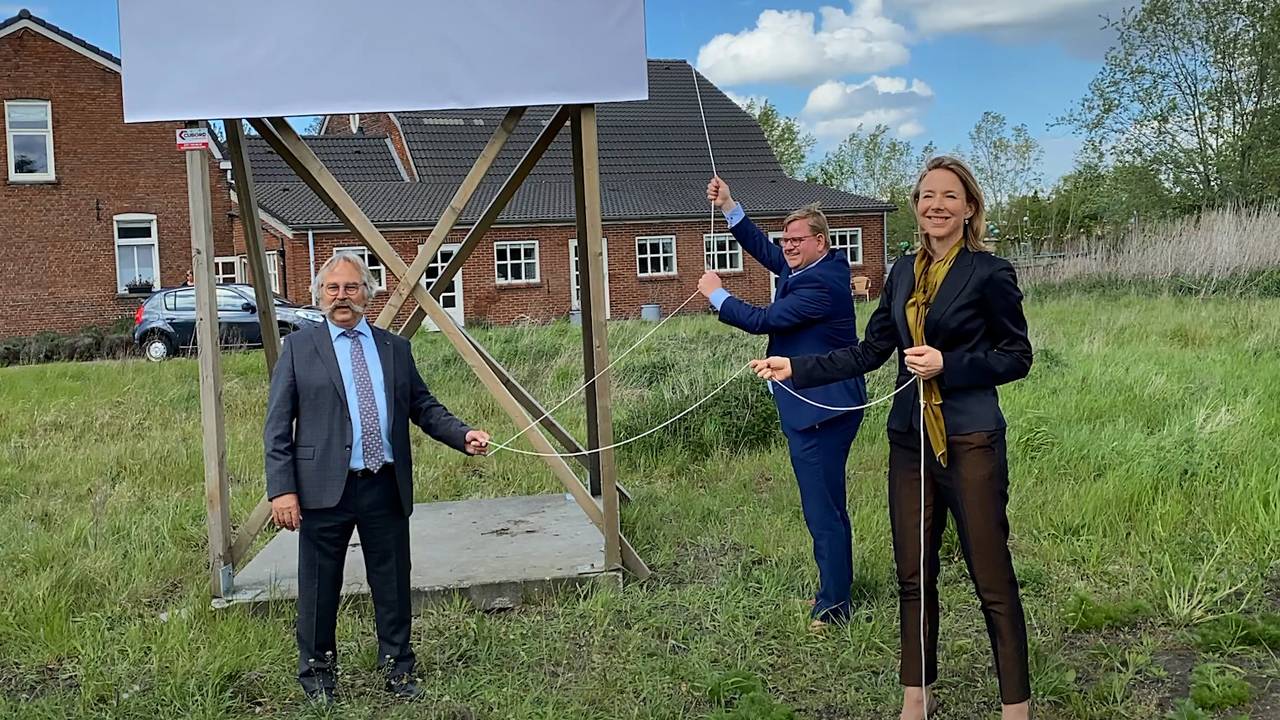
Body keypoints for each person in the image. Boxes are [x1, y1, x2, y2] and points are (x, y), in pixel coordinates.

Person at [749, 156, 1033, 720]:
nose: (936, 205)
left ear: (969, 207)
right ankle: (915, 700)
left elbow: (1016, 357)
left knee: (991, 576)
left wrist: (949, 362)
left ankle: (1016, 707)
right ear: (916, 207)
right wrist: (797, 369)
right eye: (926, 195)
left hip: (970, 438)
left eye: (949, 196)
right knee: (913, 574)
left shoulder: (990, 272)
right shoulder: (901, 272)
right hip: (909, 441)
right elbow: (869, 350)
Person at [263, 251, 491, 706]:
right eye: (333, 289)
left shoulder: (394, 348)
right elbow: (276, 425)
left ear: (368, 293)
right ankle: (318, 677)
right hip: (322, 489)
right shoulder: (299, 349)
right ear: (318, 296)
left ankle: (398, 670)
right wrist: (282, 489)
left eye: (351, 288)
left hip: (383, 485)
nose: (341, 297)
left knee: (391, 583)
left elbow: (423, 406)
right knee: (318, 586)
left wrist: (461, 434)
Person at [700, 176, 868, 629]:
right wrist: (732, 207)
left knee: (823, 508)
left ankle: (834, 605)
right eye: (786, 239)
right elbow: (769, 254)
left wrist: (716, 293)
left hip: (822, 410)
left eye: (798, 240)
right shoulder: (813, 267)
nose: (788, 247)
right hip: (815, 405)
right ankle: (837, 586)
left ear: (821, 241)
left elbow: (761, 320)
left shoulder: (820, 287)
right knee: (827, 504)